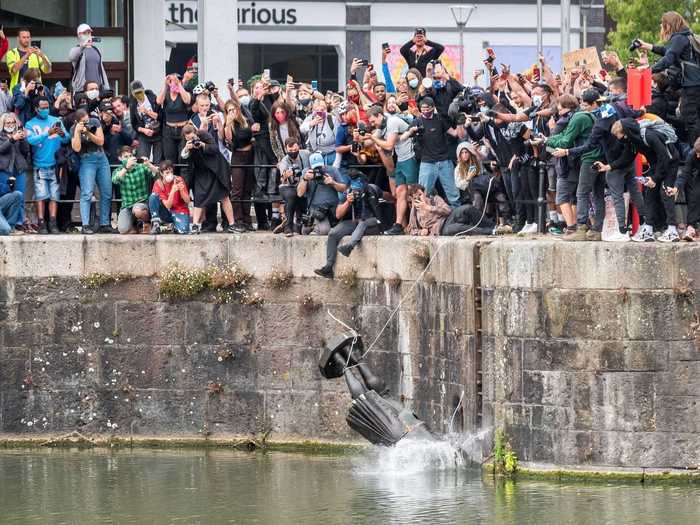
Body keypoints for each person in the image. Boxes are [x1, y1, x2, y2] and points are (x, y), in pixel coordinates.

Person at [610, 118, 680, 242]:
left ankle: (672, 230)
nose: (620, 139)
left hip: (670, 162)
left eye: (621, 136)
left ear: (627, 132)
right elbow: (628, 156)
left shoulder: (648, 136)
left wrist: (655, 178)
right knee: (650, 195)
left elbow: (665, 158)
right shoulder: (633, 140)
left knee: (666, 192)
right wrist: (609, 166)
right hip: (655, 165)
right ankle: (648, 228)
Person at [637, 11, 700, 145]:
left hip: (692, 84)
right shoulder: (685, 36)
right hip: (695, 82)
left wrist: (649, 70)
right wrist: (648, 46)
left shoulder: (678, 38)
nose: (661, 26)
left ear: (668, 25)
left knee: (689, 116)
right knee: (691, 116)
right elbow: (668, 51)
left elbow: (668, 59)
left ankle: (695, 152)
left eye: (662, 23)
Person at [544, 92, 598, 236]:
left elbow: (564, 140)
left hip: (571, 162)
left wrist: (548, 138)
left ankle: (573, 228)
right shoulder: (584, 116)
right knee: (577, 196)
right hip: (579, 161)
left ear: (567, 107)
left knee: (562, 196)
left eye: (560, 109)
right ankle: (582, 227)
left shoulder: (572, 118)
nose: (559, 112)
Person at [314, 170, 382, 279]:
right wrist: (348, 202)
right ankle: (328, 267)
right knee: (333, 233)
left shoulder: (371, 189)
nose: (356, 191)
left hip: (371, 222)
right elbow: (338, 215)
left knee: (362, 223)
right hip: (355, 221)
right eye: (354, 188)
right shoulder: (348, 192)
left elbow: (384, 199)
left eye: (358, 189)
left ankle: (349, 247)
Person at [366, 105, 418, 235]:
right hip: (401, 160)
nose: (372, 124)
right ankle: (398, 225)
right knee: (400, 192)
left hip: (410, 157)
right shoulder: (381, 125)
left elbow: (389, 146)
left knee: (413, 193)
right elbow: (368, 143)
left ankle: (416, 224)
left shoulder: (392, 121)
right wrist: (360, 139)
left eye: (373, 121)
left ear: (379, 115)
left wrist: (372, 138)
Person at [179, 124, 237, 234]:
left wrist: (202, 145)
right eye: (188, 139)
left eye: (192, 138)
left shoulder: (204, 134)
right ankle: (195, 225)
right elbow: (183, 158)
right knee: (199, 198)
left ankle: (232, 224)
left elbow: (215, 148)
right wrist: (186, 149)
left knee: (224, 197)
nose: (191, 140)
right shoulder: (185, 142)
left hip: (216, 170)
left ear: (195, 133)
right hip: (201, 172)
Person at [406, 97, 462, 208]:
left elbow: (455, 134)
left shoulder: (440, 119)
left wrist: (461, 122)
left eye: (427, 108)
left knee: (453, 195)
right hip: (427, 163)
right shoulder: (417, 121)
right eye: (423, 109)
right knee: (422, 194)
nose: (425, 111)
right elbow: (404, 136)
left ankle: (458, 217)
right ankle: (422, 219)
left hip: (445, 161)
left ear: (433, 108)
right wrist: (411, 131)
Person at [25, 97, 70, 234]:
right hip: (39, 166)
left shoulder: (56, 121)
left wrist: (62, 134)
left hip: (56, 166)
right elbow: (31, 140)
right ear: (36, 109)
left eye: (47, 107)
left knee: (54, 196)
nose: (46, 109)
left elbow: (67, 138)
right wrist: (47, 133)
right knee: (41, 196)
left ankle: (53, 222)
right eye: (43, 107)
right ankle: (42, 223)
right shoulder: (30, 124)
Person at [70, 108, 114, 234]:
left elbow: (101, 141)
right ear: (77, 122)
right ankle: (85, 225)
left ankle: (104, 223)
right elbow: (77, 148)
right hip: (86, 160)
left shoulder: (94, 122)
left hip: (101, 158)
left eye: (87, 119)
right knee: (87, 193)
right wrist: (78, 132)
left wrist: (88, 133)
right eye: (84, 121)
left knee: (106, 192)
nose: (87, 122)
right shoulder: (73, 129)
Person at [407, 185, 495, 236]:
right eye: (416, 198)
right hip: (440, 230)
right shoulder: (414, 212)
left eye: (420, 195)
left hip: (448, 218)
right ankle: (491, 232)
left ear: (424, 193)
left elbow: (448, 210)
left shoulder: (435, 199)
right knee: (457, 228)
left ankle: (493, 226)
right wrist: (420, 232)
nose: (419, 198)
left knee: (467, 208)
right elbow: (411, 230)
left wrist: (429, 207)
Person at [296, 152, 348, 235]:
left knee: (327, 230)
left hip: (331, 209)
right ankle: (313, 227)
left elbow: (343, 189)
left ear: (324, 163)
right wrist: (305, 179)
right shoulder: (306, 172)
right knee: (314, 231)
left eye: (320, 167)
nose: (318, 170)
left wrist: (333, 183)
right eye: (316, 168)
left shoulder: (332, 170)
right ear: (310, 166)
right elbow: (299, 194)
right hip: (315, 209)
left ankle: (315, 228)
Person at [223, 100, 255, 232]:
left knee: (247, 190)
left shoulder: (246, 120)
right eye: (229, 110)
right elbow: (229, 139)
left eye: (233, 109)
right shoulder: (228, 125)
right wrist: (229, 122)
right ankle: (238, 220)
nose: (232, 112)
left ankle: (247, 220)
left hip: (250, 155)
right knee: (237, 190)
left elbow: (252, 135)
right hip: (237, 156)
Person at [111, 146, 159, 234]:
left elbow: (157, 173)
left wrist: (149, 164)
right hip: (127, 205)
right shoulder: (118, 170)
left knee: (137, 210)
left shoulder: (140, 167)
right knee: (122, 229)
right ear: (120, 159)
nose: (129, 159)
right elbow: (115, 180)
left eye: (130, 156)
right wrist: (126, 168)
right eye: (126, 157)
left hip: (142, 203)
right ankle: (135, 225)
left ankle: (147, 222)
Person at [0, 112, 30, 232]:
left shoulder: (19, 134)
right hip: (5, 170)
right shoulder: (1, 135)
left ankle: (19, 222)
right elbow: (1, 149)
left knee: (20, 196)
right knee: (7, 196)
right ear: (3, 124)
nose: (10, 124)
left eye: (12, 122)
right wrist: (12, 139)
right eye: (8, 123)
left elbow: (26, 151)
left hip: (19, 169)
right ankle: (7, 222)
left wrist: (22, 139)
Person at [277, 137, 310, 236]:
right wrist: (286, 175)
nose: (293, 152)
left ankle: (300, 224)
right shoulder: (284, 161)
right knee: (292, 196)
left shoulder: (306, 154)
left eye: (295, 150)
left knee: (304, 196)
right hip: (288, 186)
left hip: (303, 184)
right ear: (286, 149)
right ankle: (288, 226)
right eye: (290, 150)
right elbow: (282, 179)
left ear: (299, 147)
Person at [149, 160, 191, 234]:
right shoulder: (158, 183)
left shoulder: (178, 179)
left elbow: (187, 201)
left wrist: (181, 191)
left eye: (171, 172)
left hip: (179, 210)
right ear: (162, 174)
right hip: (166, 211)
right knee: (153, 196)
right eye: (167, 173)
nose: (170, 174)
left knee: (183, 231)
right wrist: (173, 191)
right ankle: (156, 223)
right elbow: (168, 205)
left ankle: (170, 227)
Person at [157, 74, 192, 163]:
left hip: (183, 129)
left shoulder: (184, 93)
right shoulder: (166, 94)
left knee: (183, 157)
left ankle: (183, 176)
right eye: (172, 81)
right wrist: (165, 85)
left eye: (176, 81)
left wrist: (179, 85)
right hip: (169, 129)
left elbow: (187, 100)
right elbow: (158, 101)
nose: (174, 84)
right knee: (169, 157)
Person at [5, 28, 51, 92]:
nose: (26, 39)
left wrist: (43, 56)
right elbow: (14, 70)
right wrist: (27, 55)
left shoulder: (36, 52)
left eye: (28, 37)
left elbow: (48, 70)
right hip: (17, 92)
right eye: (24, 37)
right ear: (18, 39)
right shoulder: (12, 53)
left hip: (35, 92)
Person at [69, 23, 109, 93]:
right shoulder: (77, 49)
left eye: (89, 33)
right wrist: (83, 46)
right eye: (85, 33)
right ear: (79, 35)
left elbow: (102, 70)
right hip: (82, 89)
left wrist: (106, 87)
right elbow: (71, 57)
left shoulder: (96, 50)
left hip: (97, 88)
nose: (88, 35)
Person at [129, 80, 162, 163]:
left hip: (158, 133)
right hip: (144, 135)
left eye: (140, 92)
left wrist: (147, 111)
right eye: (136, 93)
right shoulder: (133, 104)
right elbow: (134, 124)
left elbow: (160, 116)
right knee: (142, 160)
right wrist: (144, 130)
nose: (139, 95)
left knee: (158, 161)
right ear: (133, 93)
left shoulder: (153, 98)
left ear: (143, 89)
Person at [300, 99, 337, 165]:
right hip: (315, 154)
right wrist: (311, 123)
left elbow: (338, 138)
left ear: (326, 110)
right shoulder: (310, 118)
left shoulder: (332, 119)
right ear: (313, 111)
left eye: (322, 110)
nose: (320, 112)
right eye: (317, 110)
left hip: (331, 154)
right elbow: (301, 129)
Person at [99, 99, 133, 164]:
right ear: (101, 113)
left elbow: (130, 141)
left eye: (110, 111)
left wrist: (121, 131)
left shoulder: (118, 122)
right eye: (106, 111)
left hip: (121, 160)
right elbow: (99, 145)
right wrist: (108, 127)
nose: (108, 114)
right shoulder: (97, 124)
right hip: (105, 161)